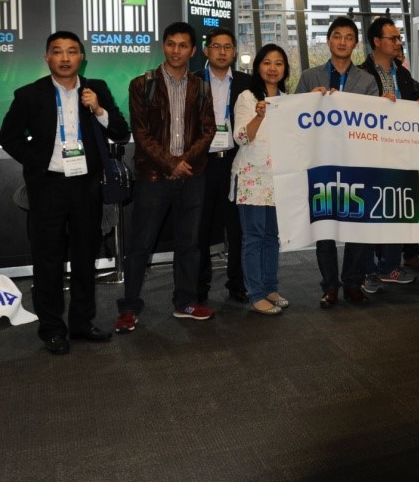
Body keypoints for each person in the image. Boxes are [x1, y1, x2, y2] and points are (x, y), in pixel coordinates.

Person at [0, 31, 131, 354]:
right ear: (47, 58)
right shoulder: (30, 94)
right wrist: (38, 161)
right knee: (48, 260)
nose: (65, 58)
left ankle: (82, 323)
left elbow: (121, 132)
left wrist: (98, 109)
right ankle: (52, 329)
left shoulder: (96, 89)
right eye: (57, 52)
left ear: (81, 57)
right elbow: (8, 137)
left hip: (86, 186)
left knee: (85, 257)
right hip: (48, 187)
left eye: (71, 51)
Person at [115, 21, 217, 334]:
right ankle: (129, 307)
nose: (176, 50)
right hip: (153, 178)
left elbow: (208, 130)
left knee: (189, 245)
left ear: (193, 50)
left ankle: (185, 302)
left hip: (192, 176)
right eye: (171, 44)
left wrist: (184, 163)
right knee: (140, 246)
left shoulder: (201, 87)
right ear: (163, 46)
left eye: (183, 45)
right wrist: (171, 163)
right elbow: (141, 133)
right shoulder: (142, 84)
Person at [297, 16, 381, 308]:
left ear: (355, 44)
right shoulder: (310, 77)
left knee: (358, 225)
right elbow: (294, 116)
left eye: (348, 37)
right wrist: (308, 99)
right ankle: (330, 286)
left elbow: (376, 122)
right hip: (321, 162)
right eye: (337, 36)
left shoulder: (367, 80)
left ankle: (353, 284)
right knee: (325, 228)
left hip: (356, 161)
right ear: (328, 40)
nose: (342, 42)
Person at [358, 16, 419, 290]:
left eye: (399, 38)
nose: (399, 42)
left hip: (402, 152)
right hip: (371, 152)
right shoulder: (361, 74)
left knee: (397, 209)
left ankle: (390, 266)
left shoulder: (403, 74)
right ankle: (367, 270)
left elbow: (416, 101)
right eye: (394, 38)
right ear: (377, 41)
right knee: (370, 212)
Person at [233, 44, 290, 315]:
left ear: (285, 69)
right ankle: (255, 294)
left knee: (272, 237)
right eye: (267, 62)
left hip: (277, 179)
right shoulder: (247, 97)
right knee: (253, 238)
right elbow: (241, 138)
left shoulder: (288, 101)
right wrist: (259, 115)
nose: (272, 68)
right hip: (252, 178)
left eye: (278, 63)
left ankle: (270, 288)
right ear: (258, 67)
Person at [197, 28, 252, 305]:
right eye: (216, 46)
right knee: (200, 228)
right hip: (202, 163)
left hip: (235, 160)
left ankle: (237, 283)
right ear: (206, 51)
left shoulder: (246, 82)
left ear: (234, 51)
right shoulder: (193, 81)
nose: (222, 52)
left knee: (237, 227)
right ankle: (200, 286)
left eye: (227, 47)